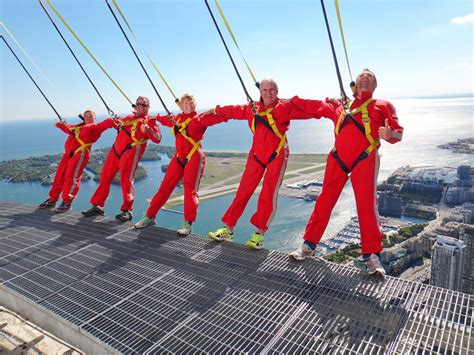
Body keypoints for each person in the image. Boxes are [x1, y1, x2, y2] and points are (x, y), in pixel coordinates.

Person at [288, 69, 403, 276]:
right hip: (338, 158)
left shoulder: (383, 106)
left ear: (375, 86)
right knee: (324, 201)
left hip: (365, 158)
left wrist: (389, 134)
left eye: (370, 77)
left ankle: (371, 256)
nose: (365, 78)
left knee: (367, 205)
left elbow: (398, 134)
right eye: (362, 76)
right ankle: (308, 246)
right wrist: (291, 100)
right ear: (355, 84)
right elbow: (313, 106)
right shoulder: (341, 106)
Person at [206, 78, 317, 249]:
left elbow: (308, 110)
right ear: (260, 92)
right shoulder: (253, 109)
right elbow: (233, 111)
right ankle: (228, 229)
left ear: (277, 91)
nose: (268, 93)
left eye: (272, 89)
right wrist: (215, 110)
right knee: (243, 191)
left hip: (277, 154)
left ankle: (259, 234)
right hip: (256, 155)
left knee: (268, 193)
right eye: (265, 90)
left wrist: (332, 106)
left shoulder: (284, 107)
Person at [133, 93, 228, 235]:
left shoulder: (200, 119)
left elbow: (223, 118)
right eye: (185, 104)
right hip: (178, 157)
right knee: (165, 187)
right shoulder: (177, 118)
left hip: (194, 156)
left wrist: (215, 110)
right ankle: (150, 216)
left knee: (189, 190)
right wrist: (155, 117)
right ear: (182, 106)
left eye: (191, 103)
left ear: (195, 104)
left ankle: (188, 223)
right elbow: (166, 120)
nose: (188, 106)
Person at [82, 96, 162, 222]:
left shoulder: (150, 121)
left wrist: (148, 130)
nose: (140, 106)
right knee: (105, 176)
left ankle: (127, 210)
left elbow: (157, 138)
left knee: (126, 179)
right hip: (116, 150)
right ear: (135, 106)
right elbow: (119, 124)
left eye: (144, 105)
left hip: (131, 152)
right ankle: (98, 205)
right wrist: (116, 121)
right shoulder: (129, 118)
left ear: (148, 107)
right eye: (138, 104)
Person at [38, 110, 114, 213]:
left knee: (72, 177)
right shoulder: (79, 127)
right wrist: (62, 125)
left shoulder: (94, 127)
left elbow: (105, 124)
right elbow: (70, 128)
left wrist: (113, 120)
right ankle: (53, 199)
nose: (88, 118)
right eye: (86, 116)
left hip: (80, 154)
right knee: (59, 176)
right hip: (68, 154)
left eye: (91, 117)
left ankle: (67, 202)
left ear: (94, 119)